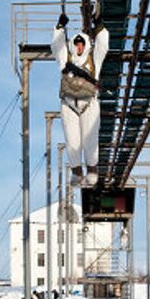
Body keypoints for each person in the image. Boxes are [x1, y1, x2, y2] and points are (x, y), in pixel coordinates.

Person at [51, 12, 109, 187]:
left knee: (90, 140)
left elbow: (103, 44)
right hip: (69, 105)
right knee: (72, 141)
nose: (78, 46)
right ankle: (77, 172)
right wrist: (59, 27)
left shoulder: (93, 61)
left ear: (86, 45)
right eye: (76, 44)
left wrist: (99, 25)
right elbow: (57, 46)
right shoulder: (65, 60)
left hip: (89, 104)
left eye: (81, 43)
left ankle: (92, 169)